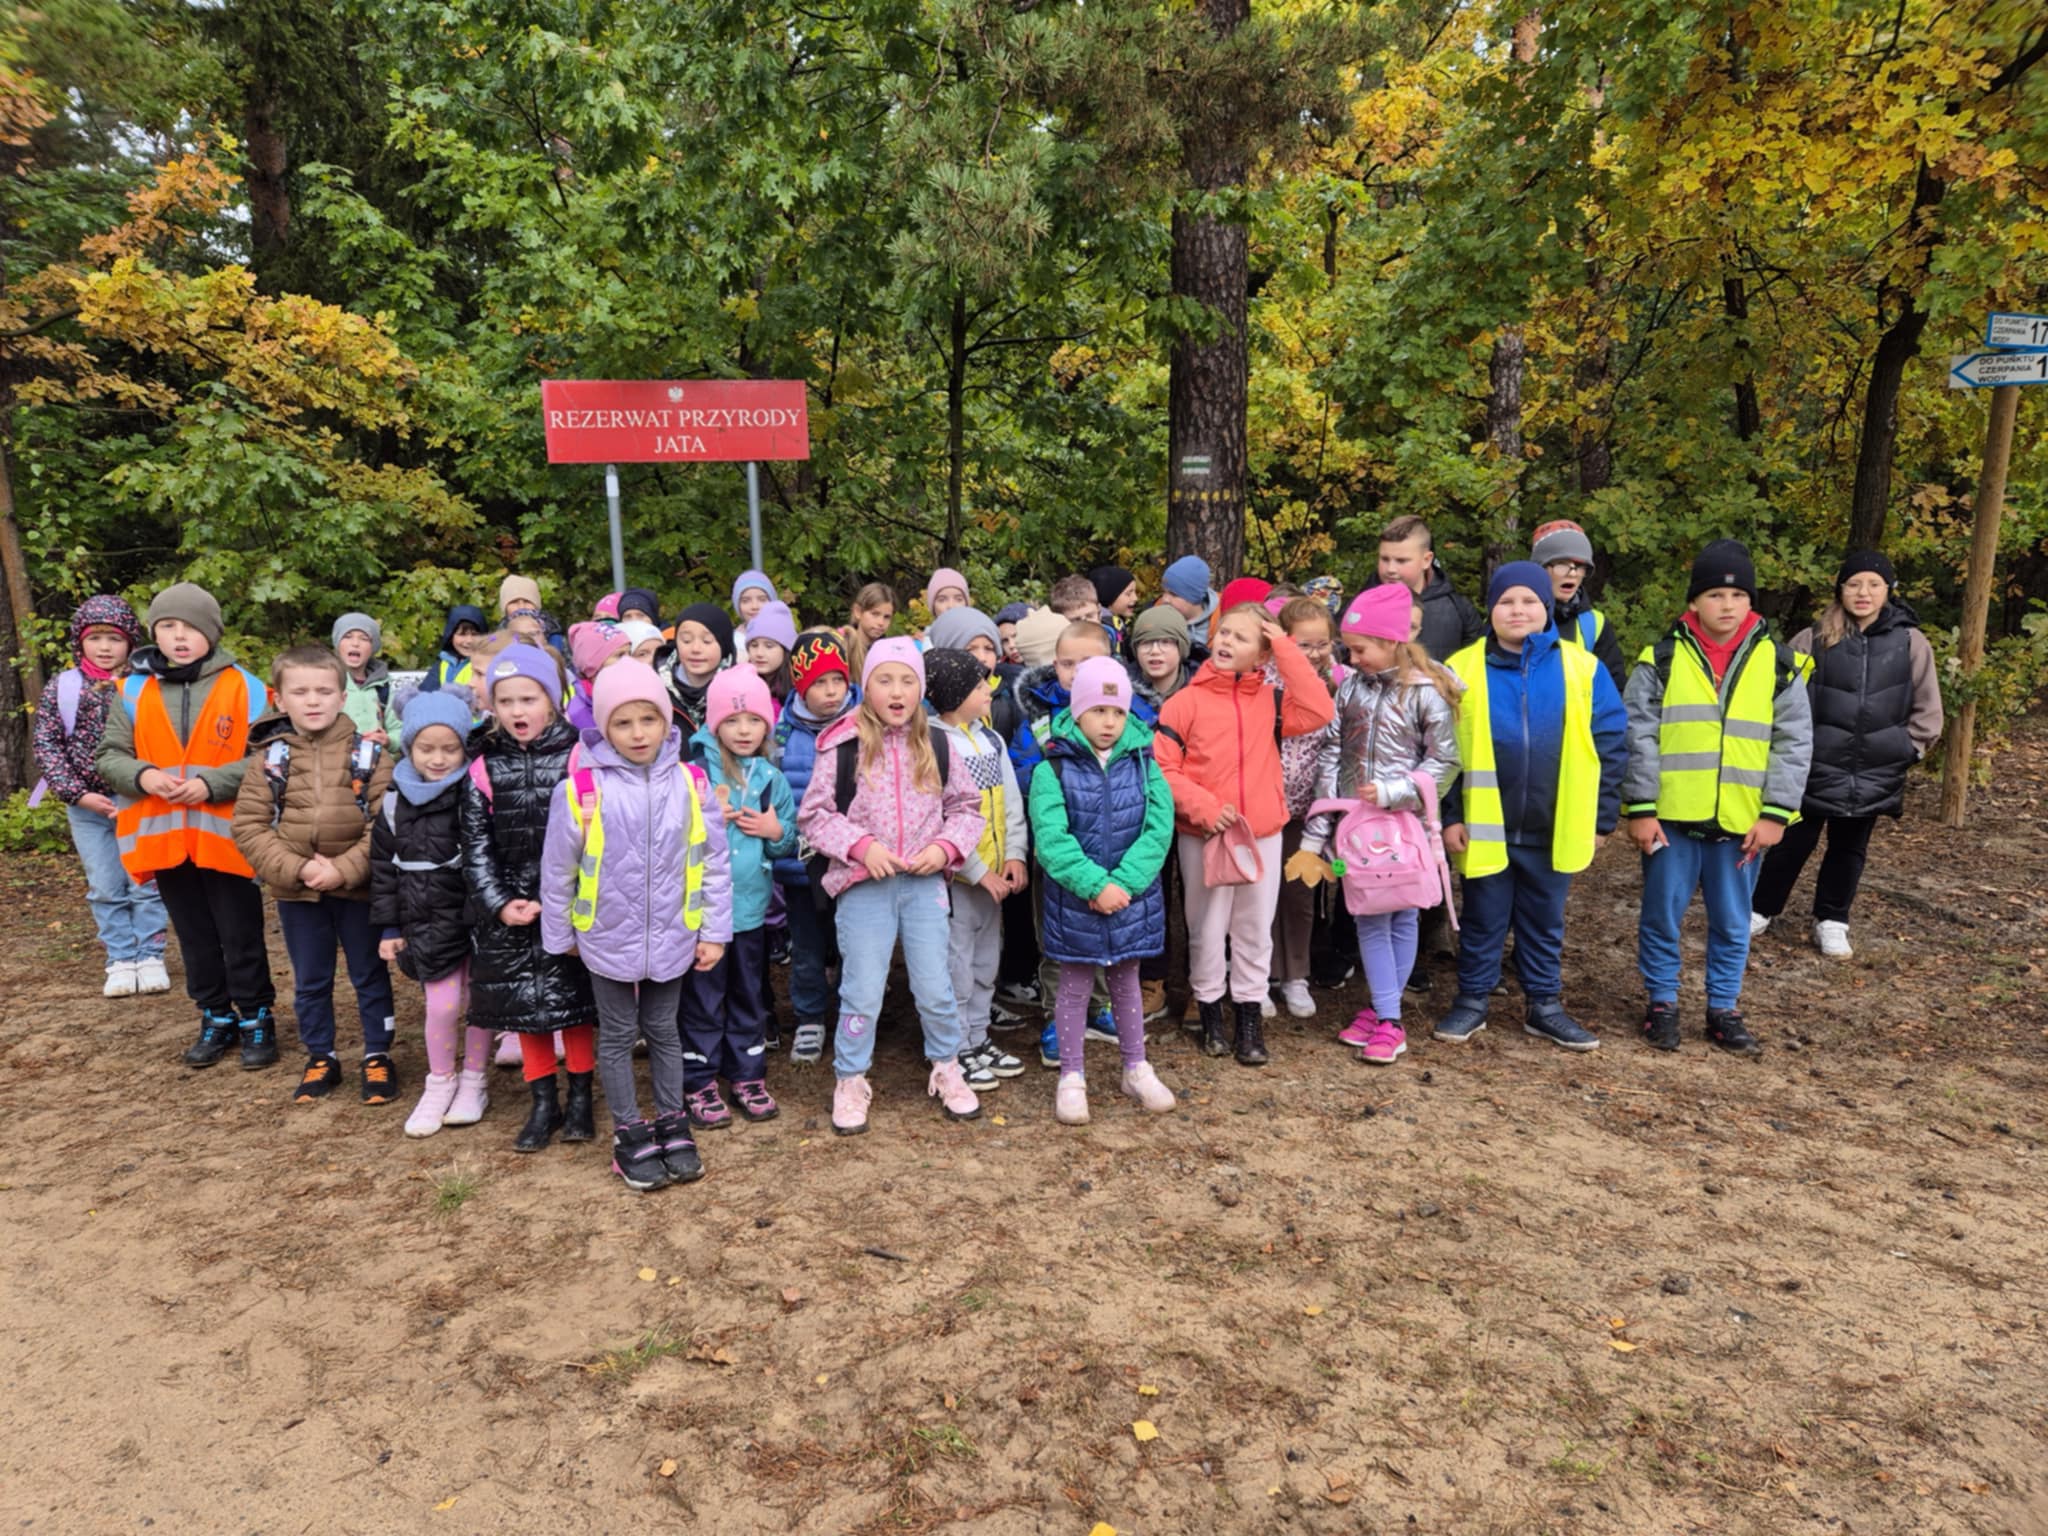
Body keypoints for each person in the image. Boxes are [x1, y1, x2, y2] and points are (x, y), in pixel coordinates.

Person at [541, 658, 728, 1190]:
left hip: (673, 933)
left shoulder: (692, 785)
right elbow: (557, 872)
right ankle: (629, 1131)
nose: (638, 732)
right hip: (605, 938)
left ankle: (673, 1120)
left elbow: (713, 863)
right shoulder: (580, 792)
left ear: (667, 720)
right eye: (623, 723)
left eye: (648, 719)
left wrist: (713, 931)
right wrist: (562, 938)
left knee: (666, 1030)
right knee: (620, 1033)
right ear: (604, 728)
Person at [1625, 540, 1812, 1056]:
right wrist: (1640, 808)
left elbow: (1794, 743)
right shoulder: (1660, 659)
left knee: (1733, 922)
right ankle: (1662, 1002)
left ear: (1751, 601)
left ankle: (1723, 1008)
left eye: (1737, 594)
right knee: (1661, 914)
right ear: (1694, 603)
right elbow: (1636, 735)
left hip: (1742, 825)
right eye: (1714, 594)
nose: (1726, 605)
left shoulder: (1780, 664)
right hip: (1672, 822)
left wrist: (1776, 814)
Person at [1432, 563, 1628, 1050]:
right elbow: (1442, 749)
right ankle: (1473, 999)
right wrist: (1450, 816)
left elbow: (1611, 743)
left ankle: (1544, 1006)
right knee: (1483, 917)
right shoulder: (1461, 668)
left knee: (1545, 920)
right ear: (1491, 610)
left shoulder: (1582, 668)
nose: (1517, 611)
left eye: (1529, 602)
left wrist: (1603, 818)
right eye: (1506, 602)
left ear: (1547, 609)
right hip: (1484, 825)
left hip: (1554, 822)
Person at [797, 638, 987, 1136]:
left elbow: (967, 810)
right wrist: (861, 847)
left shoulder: (940, 743)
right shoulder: (842, 745)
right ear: (868, 687)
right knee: (861, 988)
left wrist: (944, 849)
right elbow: (815, 816)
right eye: (885, 680)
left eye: (907, 680)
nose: (897, 691)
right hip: (864, 887)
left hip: (924, 886)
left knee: (935, 985)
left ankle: (947, 1065)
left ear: (921, 689)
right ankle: (851, 1076)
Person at [96, 582, 278, 1068]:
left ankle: (256, 1015)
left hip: (230, 839)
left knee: (241, 932)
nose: (179, 637)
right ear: (153, 633)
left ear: (211, 634)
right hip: (164, 840)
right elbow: (109, 756)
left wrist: (212, 783)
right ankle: (215, 1015)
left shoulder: (249, 688)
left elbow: (270, 756)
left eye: (190, 627)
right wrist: (145, 776)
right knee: (194, 934)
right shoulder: (132, 689)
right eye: (167, 627)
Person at [1155, 601, 1335, 1065]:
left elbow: (1319, 708)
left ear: (1262, 653)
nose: (1227, 642)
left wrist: (1284, 648)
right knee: (1208, 927)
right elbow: (1164, 769)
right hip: (1206, 833)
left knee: (1254, 929)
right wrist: (1205, 808)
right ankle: (1212, 1014)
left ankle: (1249, 1019)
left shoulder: (1273, 701)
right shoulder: (1184, 703)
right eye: (1223, 633)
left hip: (1262, 832)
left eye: (1241, 637)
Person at [1291, 585, 1459, 1065]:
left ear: (1390, 641)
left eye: (1360, 648)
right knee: (1367, 913)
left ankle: (1389, 1018)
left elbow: (1445, 761)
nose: (1351, 656)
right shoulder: (1350, 687)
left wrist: (1395, 792)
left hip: (1403, 826)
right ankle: (1385, 1009)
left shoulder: (1427, 692)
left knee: (1401, 913)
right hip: (1357, 830)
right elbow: (1331, 751)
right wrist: (1318, 828)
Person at [1752, 550, 1941, 959]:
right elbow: (1781, 700)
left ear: (1888, 591)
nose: (1863, 592)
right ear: (1840, 589)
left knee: (1849, 848)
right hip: (1812, 767)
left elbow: (1928, 706)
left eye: (1874, 584)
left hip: (1874, 769)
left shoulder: (1910, 641)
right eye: (1854, 583)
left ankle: (1832, 920)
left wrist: (1908, 750)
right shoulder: (1813, 638)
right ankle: (1759, 909)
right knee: (1791, 843)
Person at [233, 644, 398, 1104]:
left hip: (359, 890)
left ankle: (378, 1054)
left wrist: (344, 869)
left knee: (369, 974)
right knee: (311, 978)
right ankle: (320, 1054)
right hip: (297, 892)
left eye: (324, 691)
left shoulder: (370, 755)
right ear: (279, 699)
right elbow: (248, 826)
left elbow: (388, 823)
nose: (313, 700)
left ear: (342, 697)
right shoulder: (268, 759)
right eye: (300, 691)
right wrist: (300, 868)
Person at [1028, 655, 1179, 1124]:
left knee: (1126, 984)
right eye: (1098, 711)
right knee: (1074, 987)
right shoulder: (1051, 769)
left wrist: (1126, 885)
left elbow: (1158, 828)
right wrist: (1094, 885)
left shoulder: (1144, 762)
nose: (1109, 721)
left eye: (1117, 712)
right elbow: (1051, 839)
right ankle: (1071, 1076)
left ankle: (1135, 1066)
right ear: (1077, 713)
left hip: (1130, 900)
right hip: (1077, 900)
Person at [461, 644, 600, 1150]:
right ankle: (544, 1100)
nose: (518, 711)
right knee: (525, 1007)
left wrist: (575, 898)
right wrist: (499, 902)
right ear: (492, 706)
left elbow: (599, 836)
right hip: (510, 911)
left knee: (575, 1004)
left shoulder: (581, 756)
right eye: (507, 701)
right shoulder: (482, 767)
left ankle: (582, 1095)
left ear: (553, 699)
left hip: (570, 902)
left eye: (529, 698)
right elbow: (474, 846)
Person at [34, 596, 170, 998]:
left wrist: (151, 782)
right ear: (81, 642)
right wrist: (77, 794)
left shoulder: (147, 684)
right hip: (87, 806)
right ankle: (121, 958)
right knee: (105, 884)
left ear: (131, 642)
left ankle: (151, 954)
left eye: (115, 638)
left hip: (140, 799)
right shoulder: (64, 686)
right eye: (96, 638)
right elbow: (47, 745)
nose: (105, 647)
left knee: (144, 880)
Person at [372, 687, 491, 1136]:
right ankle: (440, 1081)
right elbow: (382, 867)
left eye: (449, 749)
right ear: (409, 747)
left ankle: (475, 1081)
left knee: (481, 1003)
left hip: (476, 917)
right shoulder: (394, 799)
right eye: (426, 748)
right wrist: (388, 925)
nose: (438, 758)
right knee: (441, 1005)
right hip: (425, 918)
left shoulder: (475, 790)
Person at [680, 667, 792, 1127]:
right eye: (732, 720)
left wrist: (775, 832)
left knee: (748, 994)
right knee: (702, 997)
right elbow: (667, 836)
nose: (743, 731)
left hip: (749, 911)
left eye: (753, 721)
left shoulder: (770, 778)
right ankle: (699, 1079)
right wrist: (704, 820)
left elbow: (789, 842)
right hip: (701, 917)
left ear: (767, 724)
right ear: (714, 724)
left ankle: (747, 1073)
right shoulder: (693, 774)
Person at [926, 648, 1028, 1091]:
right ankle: (954, 1047)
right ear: (953, 694)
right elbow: (939, 817)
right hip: (959, 882)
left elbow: (1010, 802)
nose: (990, 690)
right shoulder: (932, 745)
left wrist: (1016, 854)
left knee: (986, 962)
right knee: (956, 967)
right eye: (978, 684)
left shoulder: (991, 740)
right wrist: (975, 869)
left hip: (994, 881)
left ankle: (979, 1036)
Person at [773, 631, 859, 1064]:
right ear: (800, 684)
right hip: (800, 860)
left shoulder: (865, 723)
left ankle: (850, 1014)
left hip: (850, 858)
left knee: (850, 940)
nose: (830, 692)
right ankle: (809, 1016)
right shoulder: (783, 730)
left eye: (837, 681)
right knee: (806, 944)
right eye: (819, 683)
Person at [1268, 595, 1345, 1022]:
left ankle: (1295, 974)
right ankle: (1261, 974)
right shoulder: (1264, 681)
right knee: (1259, 896)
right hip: (1264, 808)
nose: (1315, 653)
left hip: (1310, 810)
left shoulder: (1340, 681)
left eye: (1322, 643)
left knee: (1299, 892)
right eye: (1304, 645)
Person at [1374, 516, 1483, 663]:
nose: (1390, 569)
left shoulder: (1460, 611)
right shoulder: (1358, 607)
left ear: (1426, 560)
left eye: (1401, 561)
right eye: (1385, 559)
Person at [1530, 520, 1625, 686]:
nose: (1572, 574)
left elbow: (1613, 692)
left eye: (1580, 566)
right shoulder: (1511, 616)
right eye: (1562, 564)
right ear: (1540, 568)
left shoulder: (1595, 625)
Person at [661, 603, 736, 735]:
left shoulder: (740, 689)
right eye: (686, 640)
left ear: (724, 645)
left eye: (706, 641)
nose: (695, 649)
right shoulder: (657, 687)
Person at [331, 613, 404, 744]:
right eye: (347, 637)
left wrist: (389, 740)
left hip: (376, 760)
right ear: (337, 644)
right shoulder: (327, 682)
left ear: (373, 648)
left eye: (364, 639)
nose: (355, 643)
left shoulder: (384, 687)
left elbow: (399, 729)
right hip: (335, 760)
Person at [564, 620, 629, 734]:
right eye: (620, 655)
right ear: (593, 664)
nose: (629, 660)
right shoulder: (578, 710)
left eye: (630, 653)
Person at [745, 599, 798, 720]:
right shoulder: (740, 683)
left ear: (785, 650)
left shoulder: (798, 691)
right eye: (754, 645)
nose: (759, 653)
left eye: (769, 646)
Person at [1159, 554, 1218, 651]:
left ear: (1193, 598)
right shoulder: (1155, 616)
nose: (1165, 599)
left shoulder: (1220, 624)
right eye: (1163, 592)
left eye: (1174, 594)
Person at [425, 603, 488, 693]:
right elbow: (425, 694)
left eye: (475, 634)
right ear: (451, 636)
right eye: (462, 634)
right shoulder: (443, 664)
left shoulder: (486, 665)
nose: (469, 640)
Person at [841, 581, 896, 679]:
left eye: (887, 617)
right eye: (875, 614)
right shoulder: (841, 647)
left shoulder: (890, 652)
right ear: (858, 611)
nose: (881, 622)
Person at [1090, 566, 1139, 647]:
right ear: (1109, 595)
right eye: (1128, 594)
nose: (1135, 598)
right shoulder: (1104, 630)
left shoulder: (1117, 624)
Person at [731, 570, 778, 650]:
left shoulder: (783, 636)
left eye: (762, 599)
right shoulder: (732, 642)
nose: (754, 606)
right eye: (746, 601)